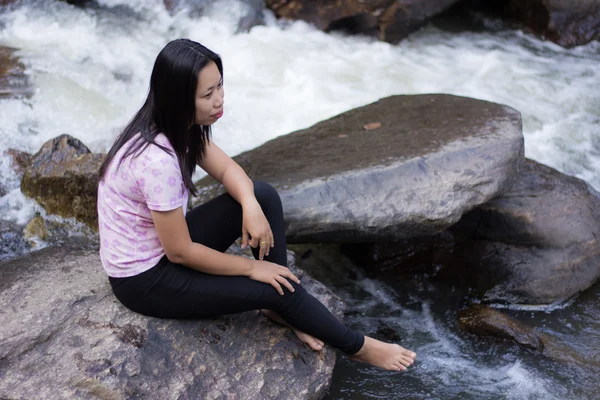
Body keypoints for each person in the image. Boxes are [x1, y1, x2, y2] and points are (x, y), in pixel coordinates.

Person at [97, 38, 417, 372]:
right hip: (145, 280)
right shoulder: (156, 159)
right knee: (273, 285)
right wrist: (253, 268)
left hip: (163, 252)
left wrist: (249, 204)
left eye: (219, 86)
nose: (220, 100)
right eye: (207, 95)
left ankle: (279, 307)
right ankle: (359, 347)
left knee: (261, 194)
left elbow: (226, 170)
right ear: (178, 99)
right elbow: (180, 252)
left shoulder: (179, 125)